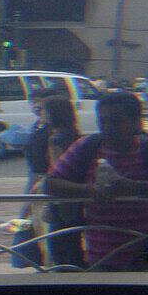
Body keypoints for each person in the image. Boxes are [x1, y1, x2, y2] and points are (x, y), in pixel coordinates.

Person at [42, 91, 148, 272]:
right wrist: (91, 191)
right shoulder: (86, 148)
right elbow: (51, 183)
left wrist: (137, 188)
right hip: (103, 258)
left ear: (135, 122)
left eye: (116, 121)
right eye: (102, 121)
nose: (108, 127)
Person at [36, 95, 86, 268]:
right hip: (78, 194)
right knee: (75, 243)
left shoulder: (56, 139)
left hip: (61, 198)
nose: (42, 113)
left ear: (53, 114)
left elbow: (57, 171)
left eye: (45, 110)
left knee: (59, 244)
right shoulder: (77, 136)